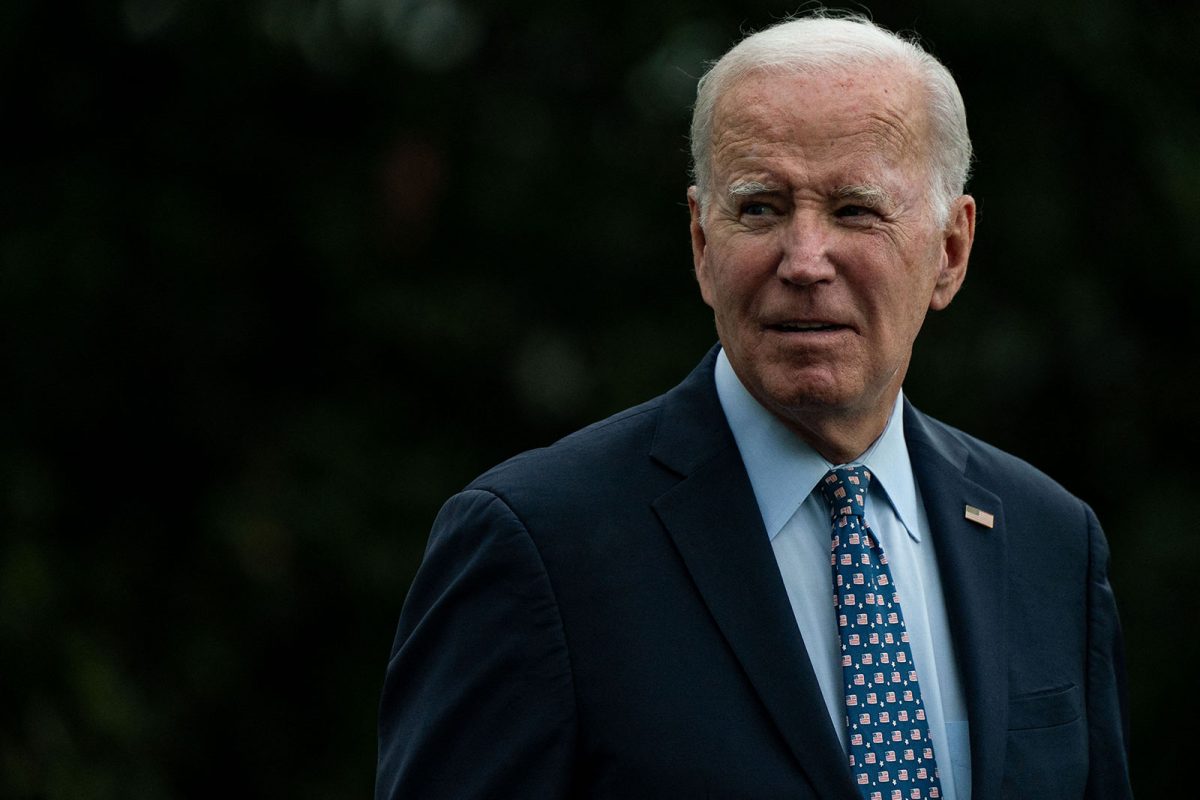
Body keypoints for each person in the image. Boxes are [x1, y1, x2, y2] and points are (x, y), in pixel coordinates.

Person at [375, 12, 1133, 800]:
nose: (805, 261)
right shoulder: (538, 547)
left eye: (855, 210)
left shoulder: (1051, 542)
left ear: (950, 251)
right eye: (762, 209)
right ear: (703, 245)